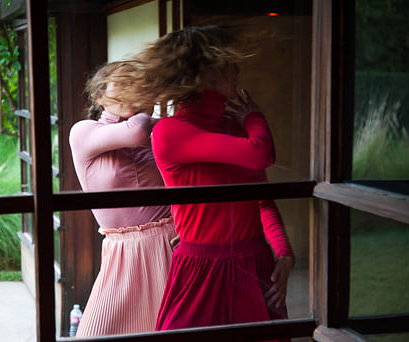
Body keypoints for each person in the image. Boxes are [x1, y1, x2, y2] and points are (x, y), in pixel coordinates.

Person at [111, 26, 295, 341]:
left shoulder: (234, 127)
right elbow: (260, 155)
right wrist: (254, 117)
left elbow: (262, 200)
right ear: (207, 74)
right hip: (201, 269)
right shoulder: (171, 132)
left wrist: (284, 253)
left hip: (254, 265)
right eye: (228, 63)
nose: (237, 70)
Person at [68, 61, 176, 337]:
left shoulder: (157, 136)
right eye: (123, 82)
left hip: (171, 243)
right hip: (123, 251)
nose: (132, 87)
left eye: (137, 83)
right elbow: (136, 130)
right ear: (99, 96)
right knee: (96, 332)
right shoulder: (84, 132)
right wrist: (148, 112)